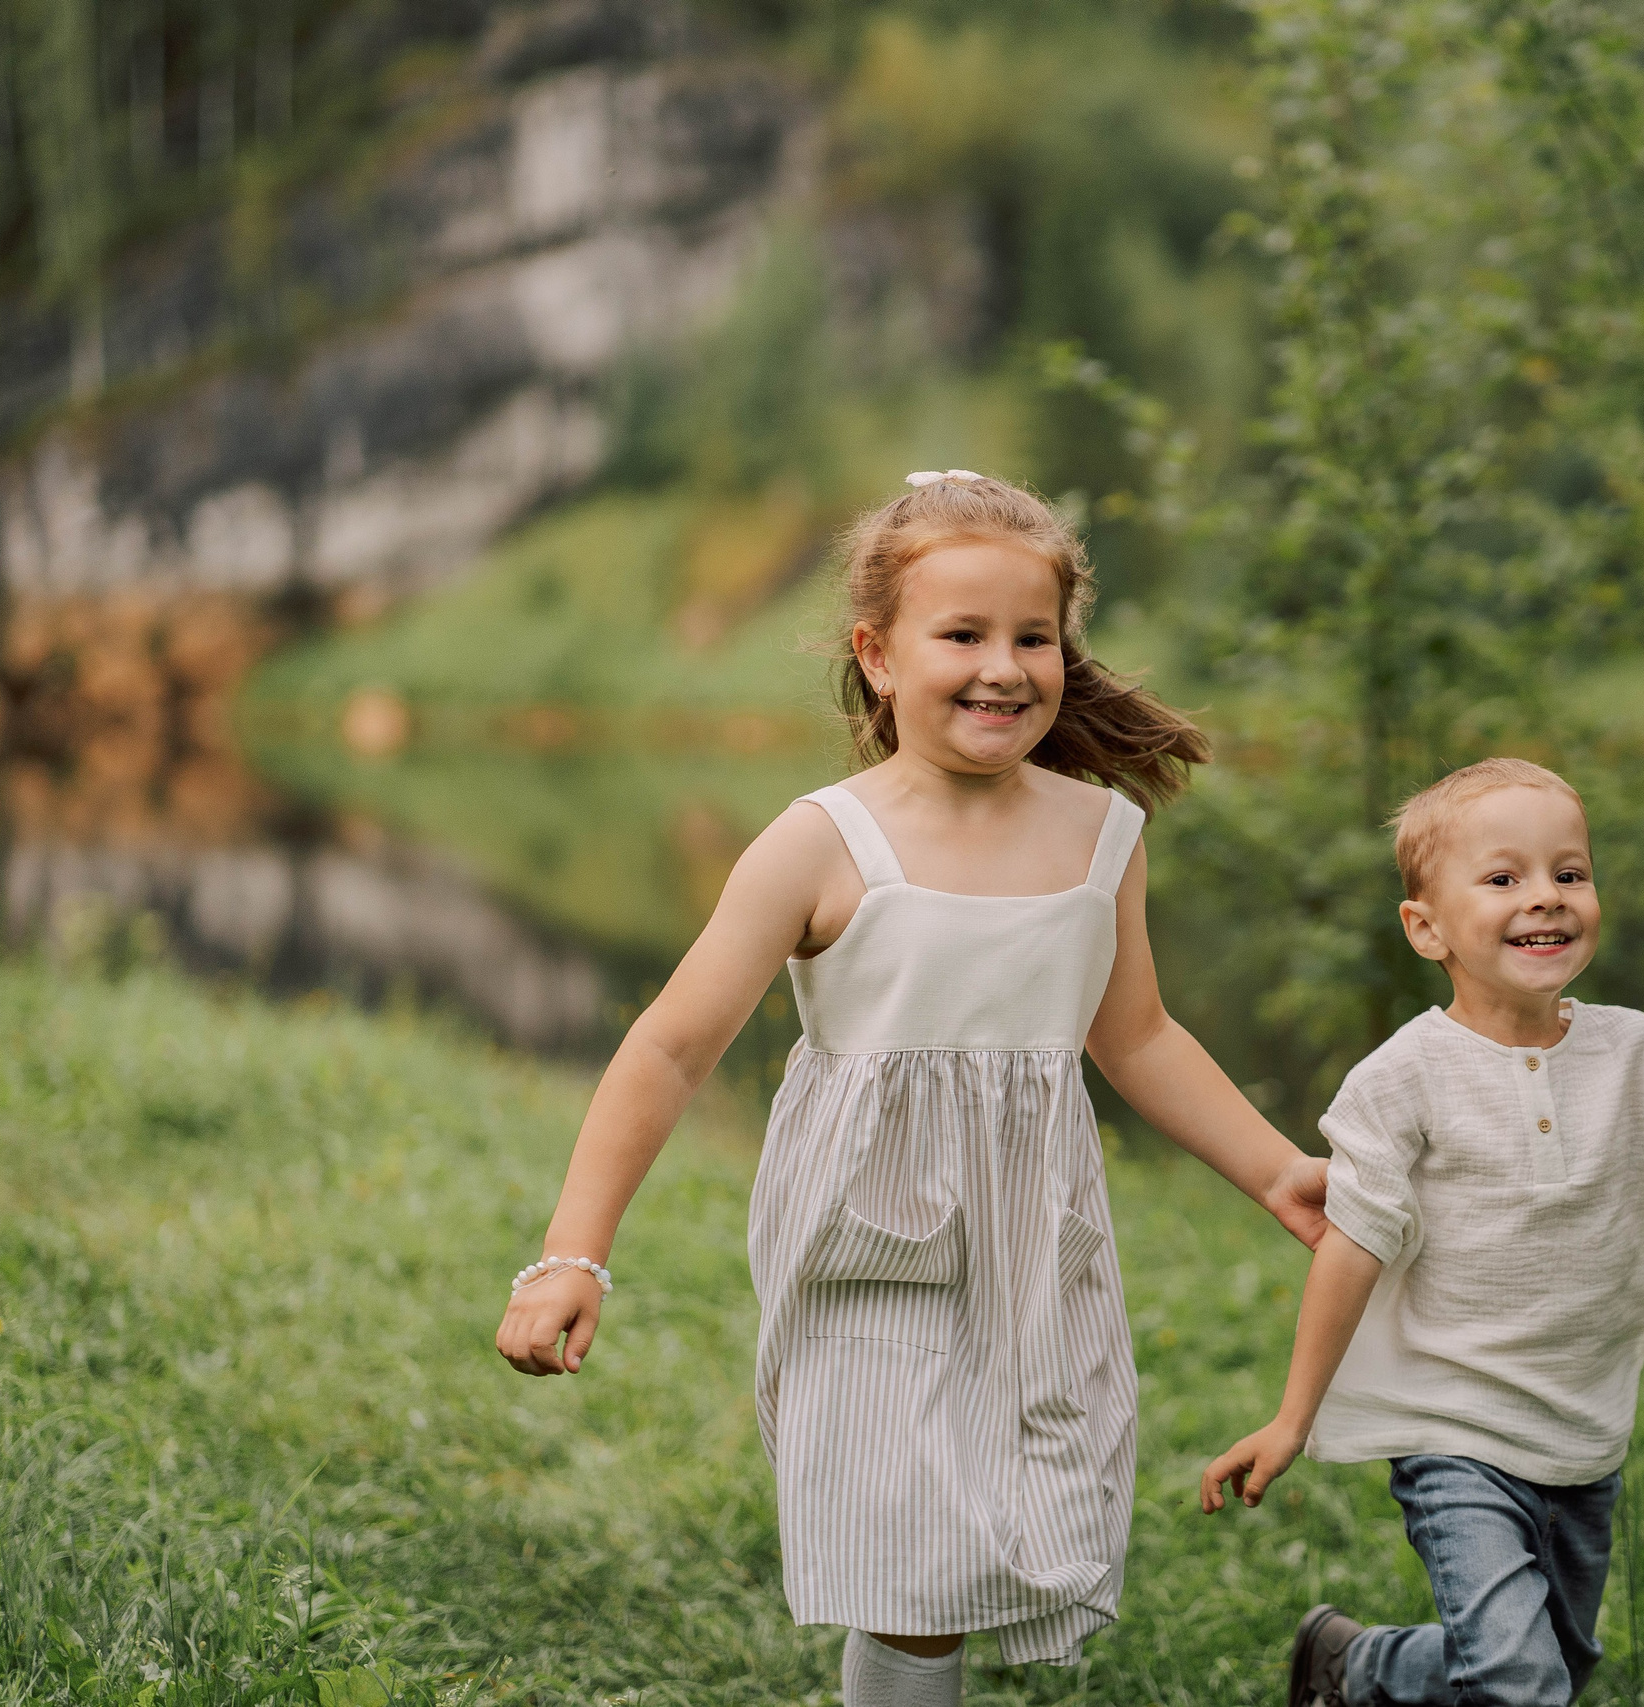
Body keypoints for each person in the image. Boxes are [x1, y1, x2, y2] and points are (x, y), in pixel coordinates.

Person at [495, 470, 1331, 1707]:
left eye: (1032, 638)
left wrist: (1276, 1170)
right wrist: (572, 1255)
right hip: (864, 1235)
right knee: (908, 1563)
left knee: (1019, 1518)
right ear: (877, 656)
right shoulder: (824, 840)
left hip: (1034, 1241)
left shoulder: (1101, 838)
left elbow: (1139, 1035)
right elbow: (670, 1047)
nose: (1004, 668)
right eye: (963, 636)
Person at [1199, 757, 1644, 1707]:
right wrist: (1291, 1418)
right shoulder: (1405, 1077)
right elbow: (1350, 1244)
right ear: (1425, 926)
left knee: (1557, 1660)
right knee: (1519, 1679)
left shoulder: (1640, 1053)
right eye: (1504, 878)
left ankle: (1354, 1666)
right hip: (1454, 1427)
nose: (1546, 898)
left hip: (1581, 1428)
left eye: (1570, 872)